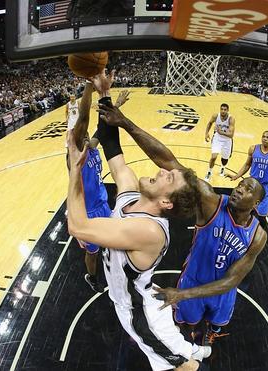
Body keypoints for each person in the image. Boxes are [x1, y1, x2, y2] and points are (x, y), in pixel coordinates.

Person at [67, 70, 209, 370]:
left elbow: (77, 226)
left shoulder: (147, 230)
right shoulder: (131, 196)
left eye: (167, 177)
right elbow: (111, 146)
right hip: (141, 299)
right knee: (179, 351)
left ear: (166, 201)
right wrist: (102, 93)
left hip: (140, 315)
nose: (160, 170)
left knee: (181, 367)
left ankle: (194, 358)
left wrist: (74, 168)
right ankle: (194, 350)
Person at [97, 102, 268, 346]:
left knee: (214, 327)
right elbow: (168, 161)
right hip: (193, 281)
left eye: (248, 188)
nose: (240, 188)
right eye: (240, 184)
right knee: (184, 327)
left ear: (258, 202)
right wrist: (125, 123)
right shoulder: (211, 201)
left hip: (222, 293)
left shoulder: (258, 236)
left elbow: (233, 280)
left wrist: (183, 294)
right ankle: (190, 341)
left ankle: (208, 334)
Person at [67, 81, 130, 292]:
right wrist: (88, 87)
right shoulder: (76, 156)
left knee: (115, 241)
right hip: (87, 213)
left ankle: (117, 269)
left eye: (85, 135)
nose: (85, 135)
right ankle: (92, 277)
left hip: (102, 205)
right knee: (92, 253)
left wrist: (116, 105)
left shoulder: (91, 146)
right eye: (80, 134)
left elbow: (102, 128)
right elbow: (84, 120)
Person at [227, 130, 268, 217]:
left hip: (266, 186)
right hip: (253, 184)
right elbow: (247, 164)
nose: (265, 139)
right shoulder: (253, 149)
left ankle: (258, 227)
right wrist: (236, 176)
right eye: (263, 136)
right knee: (245, 208)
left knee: (262, 213)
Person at [204, 103, 235, 181]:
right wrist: (206, 133)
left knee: (225, 159)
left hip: (227, 140)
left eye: (225, 110)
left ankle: (222, 167)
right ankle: (209, 172)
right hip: (217, 138)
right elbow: (210, 123)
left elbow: (231, 135)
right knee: (213, 157)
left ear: (228, 110)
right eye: (221, 109)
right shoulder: (215, 116)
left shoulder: (231, 119)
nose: (223, 111)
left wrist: (221, 132)